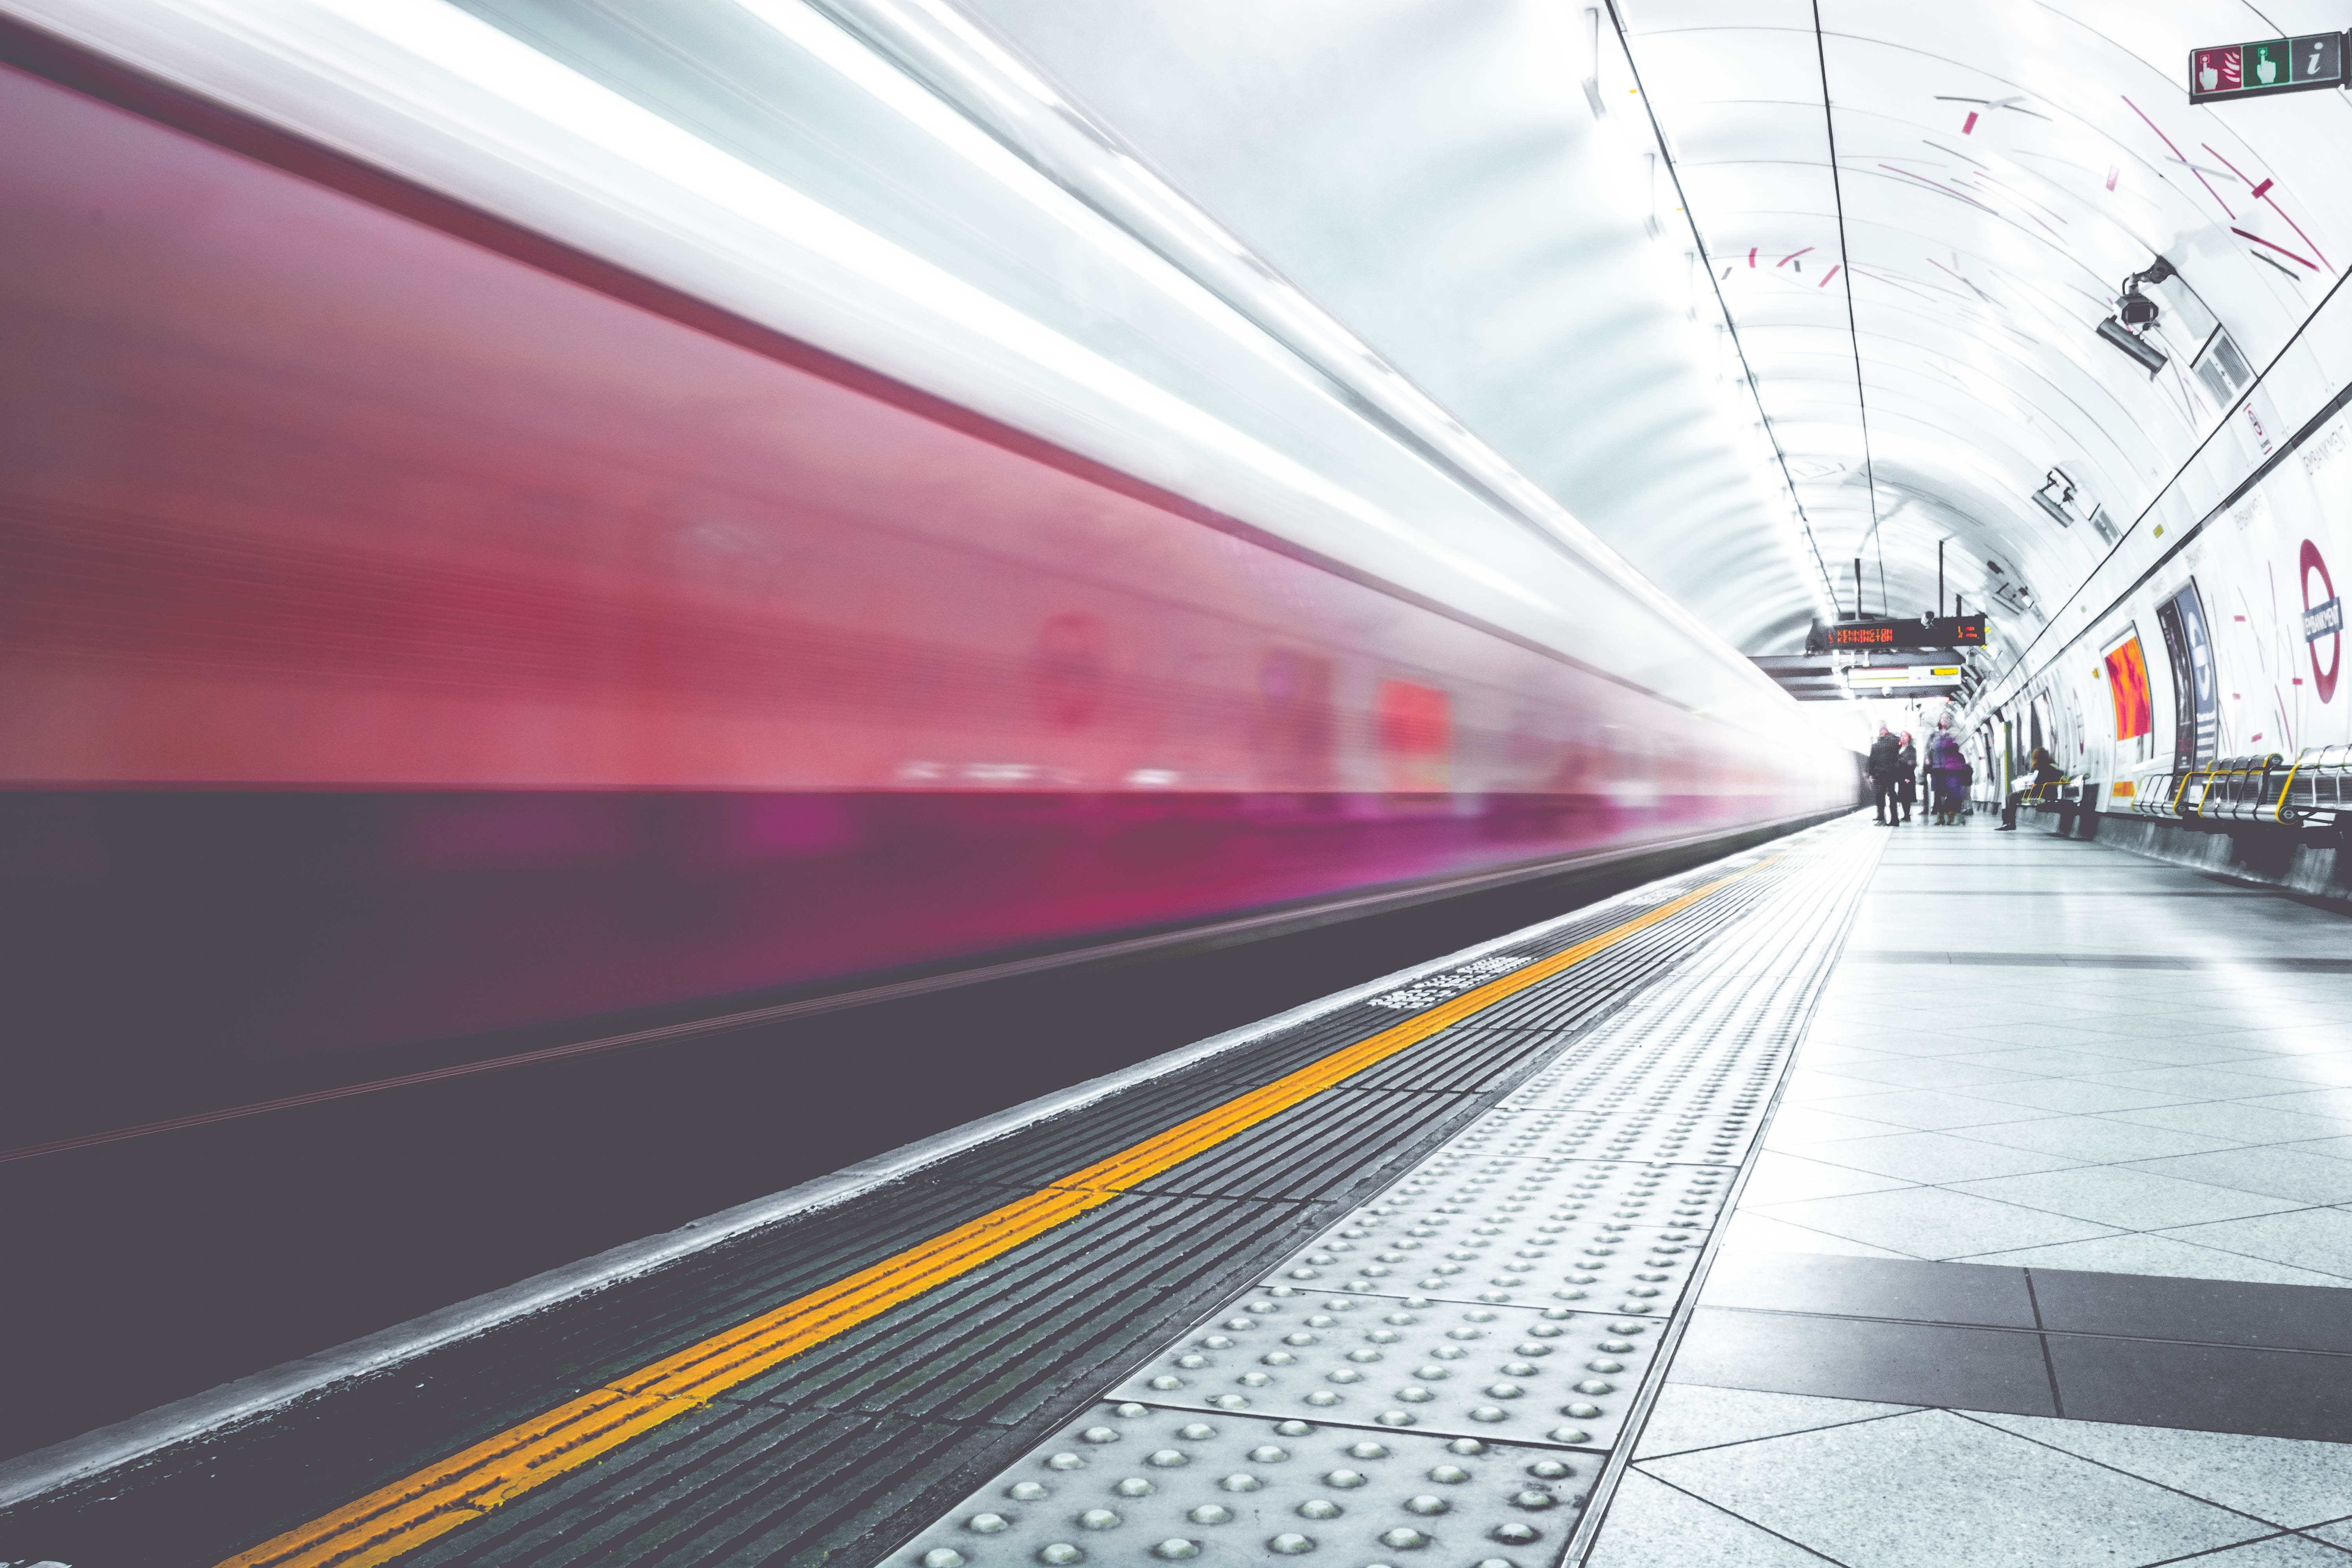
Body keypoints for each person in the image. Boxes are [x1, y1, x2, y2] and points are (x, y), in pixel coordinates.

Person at [1999, 745, 2063, 831]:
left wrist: (2032, 784)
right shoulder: (2050, 767)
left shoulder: (2044, 768)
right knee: (2010, 797)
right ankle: (2007, 823)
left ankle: (2009, 823)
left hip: (2041, 793)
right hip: (2045, 792)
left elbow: (2038, 783)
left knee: (2011, 797)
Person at [1925, 718, 1966, 824]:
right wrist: (1928, 760)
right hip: (1938, 768)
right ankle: (1941, 816)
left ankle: (1951, 814)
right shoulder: (1934, 735)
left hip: (1951, 769)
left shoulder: (1955, 733)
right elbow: (1928, 749)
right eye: (1943, 719)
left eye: (1947, 719)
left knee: (1951, 793)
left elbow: (1959, 745)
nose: (1945, 721)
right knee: (1939, 793)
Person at [1866, 724, 1903, 826]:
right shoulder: (1895, 743)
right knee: (1892, 796)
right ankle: (1894, 819)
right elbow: (1900, 744)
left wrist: (1871, 774)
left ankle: (1881, 816)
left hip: (1879, 774)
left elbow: (1872, 761)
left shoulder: (1875, 746)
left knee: (1880, 796)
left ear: (1880, 735)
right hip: (1891, 774)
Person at [1897, 731, 1918, 823]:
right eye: (1902, 736)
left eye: (1905, 736)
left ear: (1909, 738)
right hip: (1900, 775)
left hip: (1908, 776)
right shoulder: (1898, 749)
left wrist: (1907, 777)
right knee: (1902, 796)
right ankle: (1906, 815)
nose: (1903, 738)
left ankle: (1907, 816)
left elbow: (1911, 763)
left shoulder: (1912, 750)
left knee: (1906, 796)